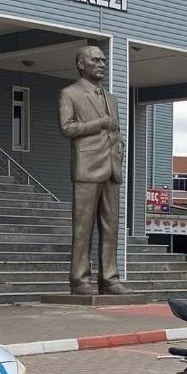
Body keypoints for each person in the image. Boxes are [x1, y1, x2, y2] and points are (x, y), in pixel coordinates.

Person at [58, 45, 126, 295]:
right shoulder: (70, 94)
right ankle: (80, 280)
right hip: (87, 168)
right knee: (83, 228)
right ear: (81, 65)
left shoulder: (112, 98)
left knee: (111, 227)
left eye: (104, 60)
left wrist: (119, 151)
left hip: (111, 168)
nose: (102, 64)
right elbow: (67, 128)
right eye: (95, 60)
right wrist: (99, 123)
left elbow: (115, 131)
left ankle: (110, 279)